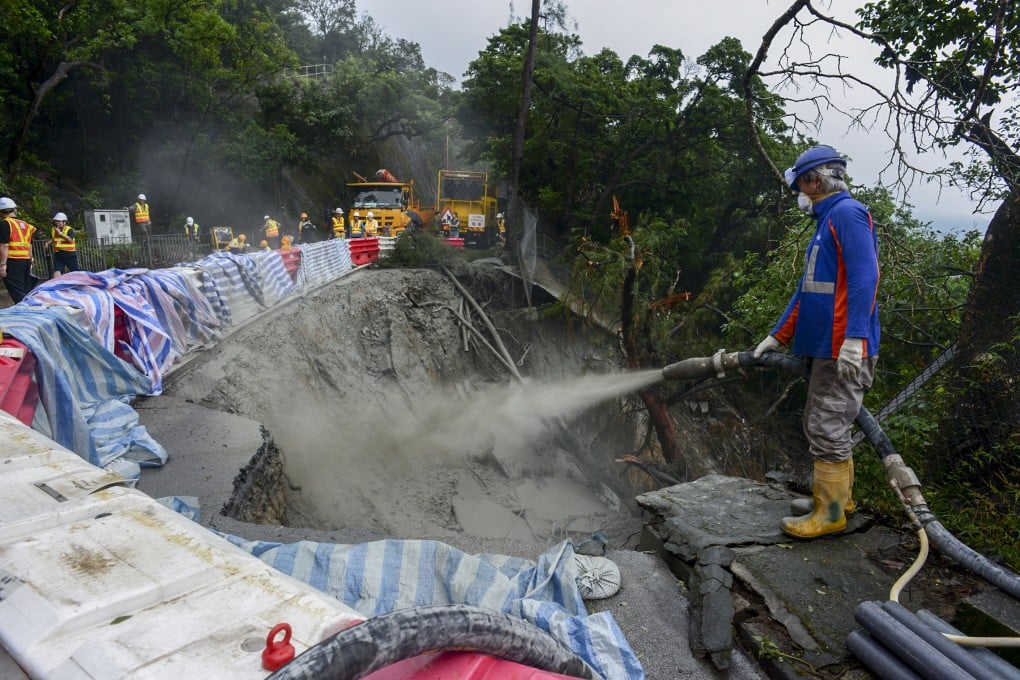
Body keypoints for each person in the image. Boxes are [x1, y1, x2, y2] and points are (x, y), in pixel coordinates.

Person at [752, 144, 880, 540]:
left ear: (814, 180)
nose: (799, 196)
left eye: (801, 187)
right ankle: (836, 499)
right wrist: (777, 335)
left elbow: (866, 277)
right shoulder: (826, 224)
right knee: (830, 421)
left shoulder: (846, 214)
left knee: (825, 423)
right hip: (825, 345)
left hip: (840, 347)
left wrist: (855, 338)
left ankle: (832, 512)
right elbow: (808, 291)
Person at [0, 197, 38, 304]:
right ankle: (31, 307)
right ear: (14, 210)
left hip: (13, 261)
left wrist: (2, 265)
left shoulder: (5, 224)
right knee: (25, 288)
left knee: (16, 289)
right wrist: (31, 260)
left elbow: (5, 245)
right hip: (25, 261)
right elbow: (30, 245)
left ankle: (26, 310)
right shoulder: (26, 225)